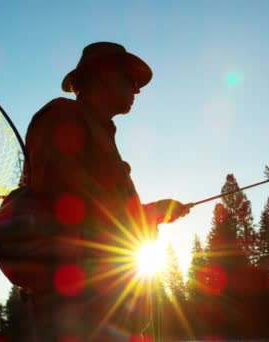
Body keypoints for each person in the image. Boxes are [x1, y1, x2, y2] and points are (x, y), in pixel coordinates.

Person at [19, 41, 191, 341]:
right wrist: (148, 214)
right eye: (130, 79)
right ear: (104, 75)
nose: (137, 89)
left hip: (111, 317)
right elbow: (73, 205)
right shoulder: (61, 118)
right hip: (79, 314)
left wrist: (151, 215)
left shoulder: (99, 132)